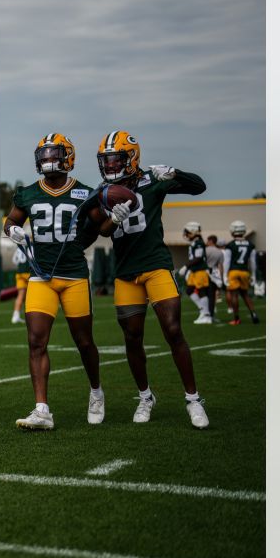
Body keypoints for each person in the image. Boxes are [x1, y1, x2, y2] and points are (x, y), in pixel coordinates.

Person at [81, 131, 210, 429]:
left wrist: (175, 173)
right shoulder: (105, 190)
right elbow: (96, 231)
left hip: (155, 265)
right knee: (132, 337)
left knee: (173, 330)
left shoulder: (152, 180)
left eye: (116, 159)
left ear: (132, 157)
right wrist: (111, 219)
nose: (110, 165)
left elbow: (199, 187)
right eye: (106, 160)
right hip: (126, 273)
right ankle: (145, 397)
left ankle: (193, 399)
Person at [3, 133, 105, 430]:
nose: (47, 161)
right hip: (41, 276)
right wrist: (12, 232)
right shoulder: (28, 193)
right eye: (43, 156)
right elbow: (11, 222)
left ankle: (96, 392)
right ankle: (42, 409)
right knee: (36, 341)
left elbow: (103, 227)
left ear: (68, 157)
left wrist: (118, 218)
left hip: (73, 276)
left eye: (53, 155)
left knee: (84, 342)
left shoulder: (84, 193)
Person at [223, 220, 261, 325]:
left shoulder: (230, 245)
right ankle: (253, 314)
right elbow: (252, 262)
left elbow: (226, 261)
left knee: (234, 295)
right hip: (245, 272)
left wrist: (224, 275)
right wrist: (253, 275)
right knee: (245, 295)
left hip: (233, 271)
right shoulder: (250, 245)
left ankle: (236, 318)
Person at [179, 221, 213, 324]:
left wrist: (186, 266)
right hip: (194, 271)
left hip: (200, 270)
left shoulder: (198, 243)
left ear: (193, 232)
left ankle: (206, 316)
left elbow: (198, 258)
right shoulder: (195, 243)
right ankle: (203, 310)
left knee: (202, 291)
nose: (186, 234)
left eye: (187, 232)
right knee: (189, 290)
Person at [204, 235, 226, 320]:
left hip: (205, 272)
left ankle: (205, 314)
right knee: (212, 295)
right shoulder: (219, 252)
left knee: (204, 295)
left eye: (207, 240)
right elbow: (220, 266)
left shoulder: (205, 250)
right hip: (214, 273)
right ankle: (211, 314)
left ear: (210, 241)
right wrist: (220, 278)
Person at [10, 245, 30, 324]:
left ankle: (15, 316)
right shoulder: (30, 245)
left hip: (19, 273)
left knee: (20, 295)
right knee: (32, 295)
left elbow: (14, 260)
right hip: (28, 273)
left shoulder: (19, 247)